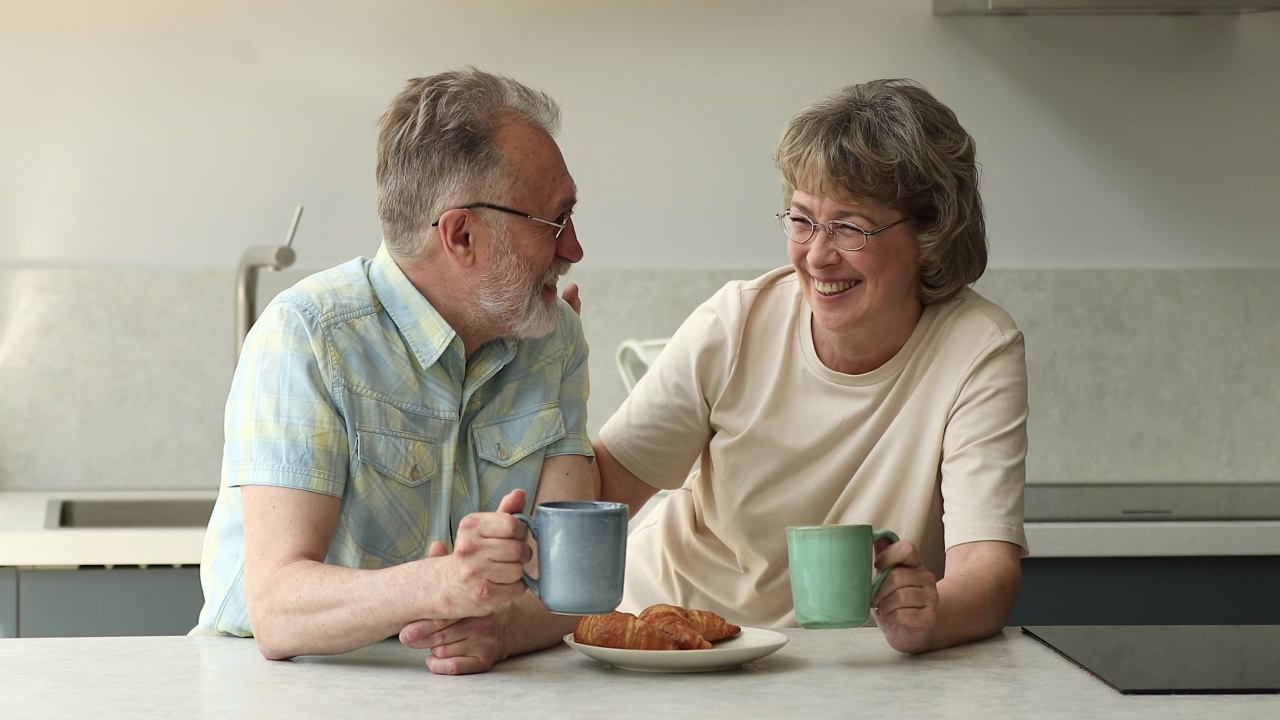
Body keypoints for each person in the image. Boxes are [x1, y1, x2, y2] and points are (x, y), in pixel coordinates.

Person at [593, 79, 1028, 654]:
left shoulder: (978, 349)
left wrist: (931, 614)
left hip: (837, 666)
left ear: (931, 234)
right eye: (801, 221)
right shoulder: (737, 322)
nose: (817, 255)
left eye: (849, 227)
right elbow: (602, 488)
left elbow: (987, 571)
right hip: (669, 634)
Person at [194, 67, 594, 675]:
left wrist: (501, 629)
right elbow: (276, 610)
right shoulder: (309, 334)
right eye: (553, 222)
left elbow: (574, 586)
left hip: (465, 692)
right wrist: (442, 584)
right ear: (462, 234)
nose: (573, 249)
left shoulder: (553, 339)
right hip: (277, 687)